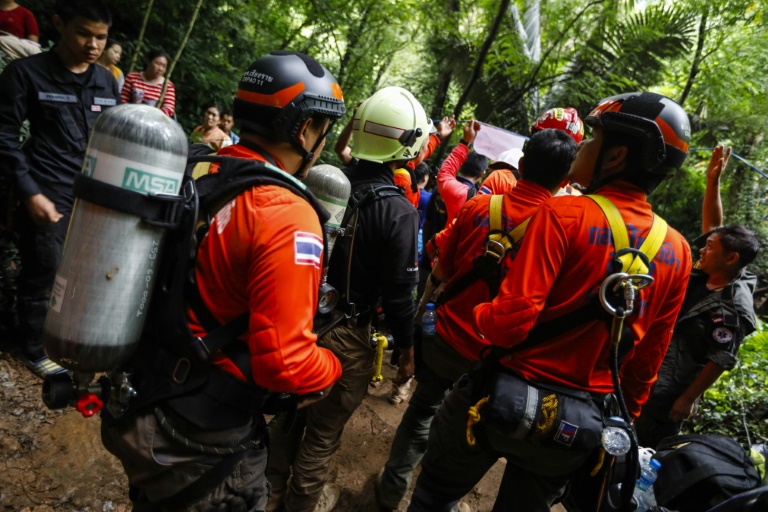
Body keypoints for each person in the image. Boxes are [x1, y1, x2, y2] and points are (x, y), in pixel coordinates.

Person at [407, 92, 694, 512]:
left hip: (502, 397)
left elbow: (508, 323)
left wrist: (480, 312)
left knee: (435, 495)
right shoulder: (678, 251)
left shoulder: (563, 216)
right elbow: (646, 363)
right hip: (576, 424)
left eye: (593, 138)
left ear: (615, 156)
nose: (583, 146)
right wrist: (620, 417)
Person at [101, 50, 345, 511]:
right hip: (199, 435)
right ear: (304, 128)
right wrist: (331, 368)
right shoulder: (286, 213)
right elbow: (285, 363)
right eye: (323, 128)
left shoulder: (200, 169)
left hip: (142, 393)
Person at [375, 128, 578, 511]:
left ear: (521, 164)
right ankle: (441, 499)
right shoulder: (561, 231)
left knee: (421, 411)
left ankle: (391, 489)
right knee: (467, 434)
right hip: (494, 360)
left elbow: (441, 272)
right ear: (566, 178)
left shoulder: (478, 207)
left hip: (445, 338)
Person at [267, 85, 431, 512]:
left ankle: (268, 494)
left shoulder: (322, 181)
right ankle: (300, 504)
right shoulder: (399, 212)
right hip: (348, 335)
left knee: (287, 415)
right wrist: (407, 352)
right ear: (408, 145)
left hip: (300, 318)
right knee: (322, 433)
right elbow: (400, 296)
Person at [0, 0, 119, 376]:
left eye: (101, 37)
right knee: (45, 268)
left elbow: (115, 138)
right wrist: (29, 192)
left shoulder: (106, 81)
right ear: (58, 25)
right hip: (45, 187)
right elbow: (4, 137)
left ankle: (68, 334)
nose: (93, 45)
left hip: (93, 192)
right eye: (83, 33)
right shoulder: (26, 74)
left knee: (86, 269)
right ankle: (35, 347)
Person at [635, 145, 760, 449]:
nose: (702, 249)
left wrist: (688, 398)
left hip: (670, 388)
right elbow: (714, 229)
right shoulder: (710, 271)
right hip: (648, 365)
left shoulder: (733, 306)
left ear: (731, 258)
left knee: (643, 447)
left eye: (710, 248)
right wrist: (713, 182)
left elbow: (720, 359)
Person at [437, 119, 487, 223]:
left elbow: (445, 171)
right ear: (481, 174)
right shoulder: (480, 203)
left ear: (461, 165)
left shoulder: (444, 187)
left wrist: (466, 142)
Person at [121, 49, 175, 117]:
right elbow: (123, 99)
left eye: (164, 66)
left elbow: (169, 109)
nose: (161, 69)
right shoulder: (132, 77)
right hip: (130, 116)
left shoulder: (168, 85)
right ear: (148, 62)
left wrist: (152, 115)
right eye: (158, 64)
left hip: (155, 119)